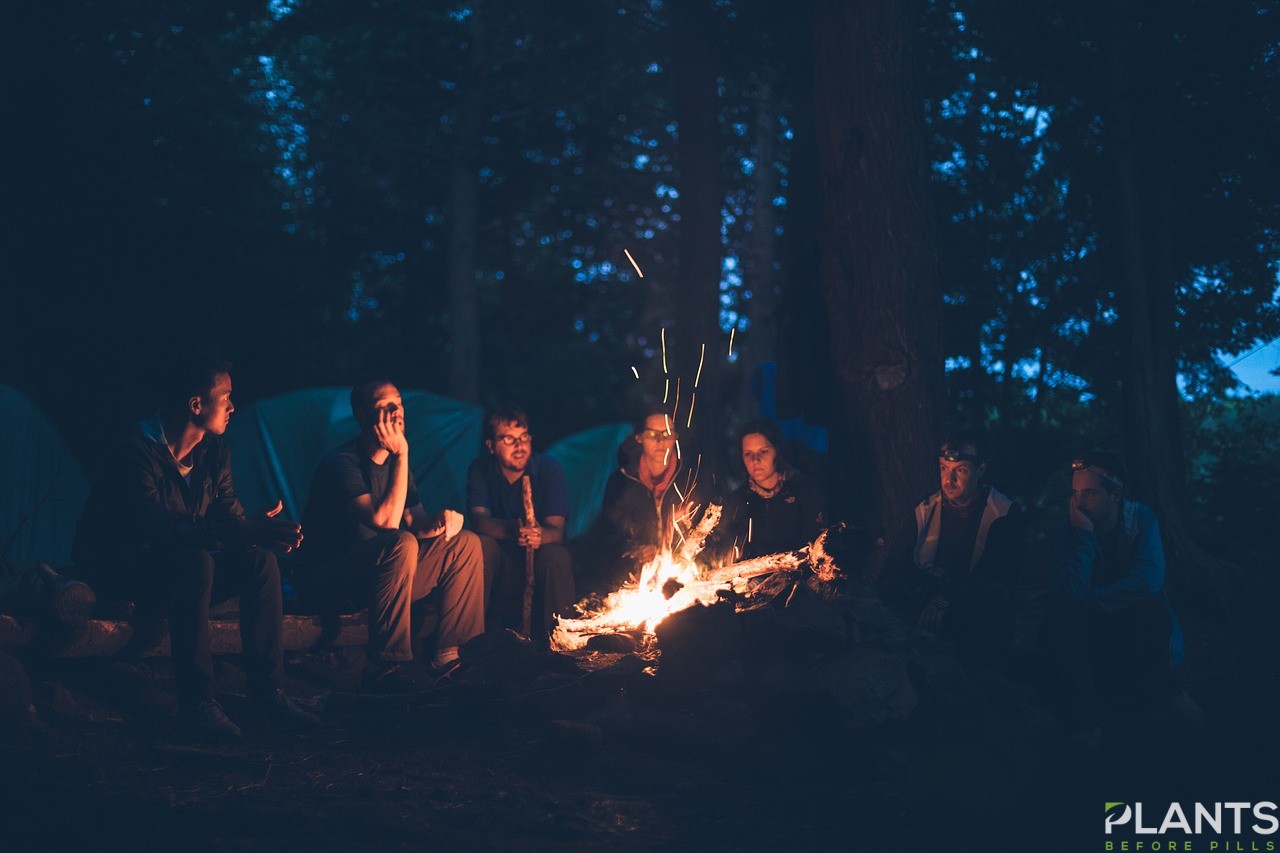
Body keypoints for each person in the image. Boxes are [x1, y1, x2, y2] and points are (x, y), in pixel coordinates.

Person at [72, 354, 318, 739]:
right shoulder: (135, 453)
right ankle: (197, 703)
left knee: (258, 562)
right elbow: (158, 530)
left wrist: (254, 531)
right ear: (196, 405)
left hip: (178, 570)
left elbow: (226, 515)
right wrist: (237, 529)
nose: (233, 407)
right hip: (123, 574)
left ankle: (268, 693)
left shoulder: (213, 452)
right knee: (196, 563)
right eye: (226, 398)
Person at [295, 380, 484, 690]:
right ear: (362, 416)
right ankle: (390, 664)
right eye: (385, 406)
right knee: (401, 542)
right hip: (331, 582)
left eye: (399, 404)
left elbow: (417, 521)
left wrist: (443, 521)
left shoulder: (398, 467)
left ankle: (450, 656)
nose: (397, 412)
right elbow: (385, 521)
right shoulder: (342, 464)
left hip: (383, 578)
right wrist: (402, 454)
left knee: (464, 544)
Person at [1045, 451, 1185, 745]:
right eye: (1075, 494)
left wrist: (1095, 599)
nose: (1080, 503)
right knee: (1059, 616)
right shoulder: (1069, 530)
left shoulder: (1141, 520)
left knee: (1151, 609)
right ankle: (1086, 720)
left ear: (1116, 495)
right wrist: (1083, 537)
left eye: (1090, 494)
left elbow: (1148, 580)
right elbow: (1068, 591)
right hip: (1088, 625)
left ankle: (1148, 704)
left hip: (1125, 616)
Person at [879, 434, 1024, 668]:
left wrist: (946, 598)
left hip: (970, 601)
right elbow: (895, 565)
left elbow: (1000, 577)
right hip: (927, 596)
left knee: (995, 600)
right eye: (944, 468)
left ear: (980, 470)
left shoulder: (1002, 513)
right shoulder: (927, 508)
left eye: (961, 471)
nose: (950, 479)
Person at [466, 404, 575, 638]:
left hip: (538, 560)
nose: (519, 446)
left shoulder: (549, 470)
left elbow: (556, 531)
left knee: (556, 555)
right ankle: (470, 640)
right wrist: (512, 530)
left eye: (524, 437)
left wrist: (538, 535)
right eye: (508, 439)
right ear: (491, 446)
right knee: (479, 545)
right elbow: (479, 520)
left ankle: (560, 642)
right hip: (501, 563)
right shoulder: (481, 469)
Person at [586, 408, 708, 587]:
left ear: (676, 437)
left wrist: (666, 551)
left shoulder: (691, 479)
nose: (661, 441)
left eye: (667, 433)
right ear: (639, 438)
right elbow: (608, 536)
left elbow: (707, 531)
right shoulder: (622, 481)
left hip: (684, 570)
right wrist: (637, 549)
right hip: (634, 574)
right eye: (652, 434)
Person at [714, 419, 825, 563]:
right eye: (748, 454)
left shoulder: (804, 491)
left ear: (777, 452)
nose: (755, 460)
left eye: (763, 452)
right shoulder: (736, 501)